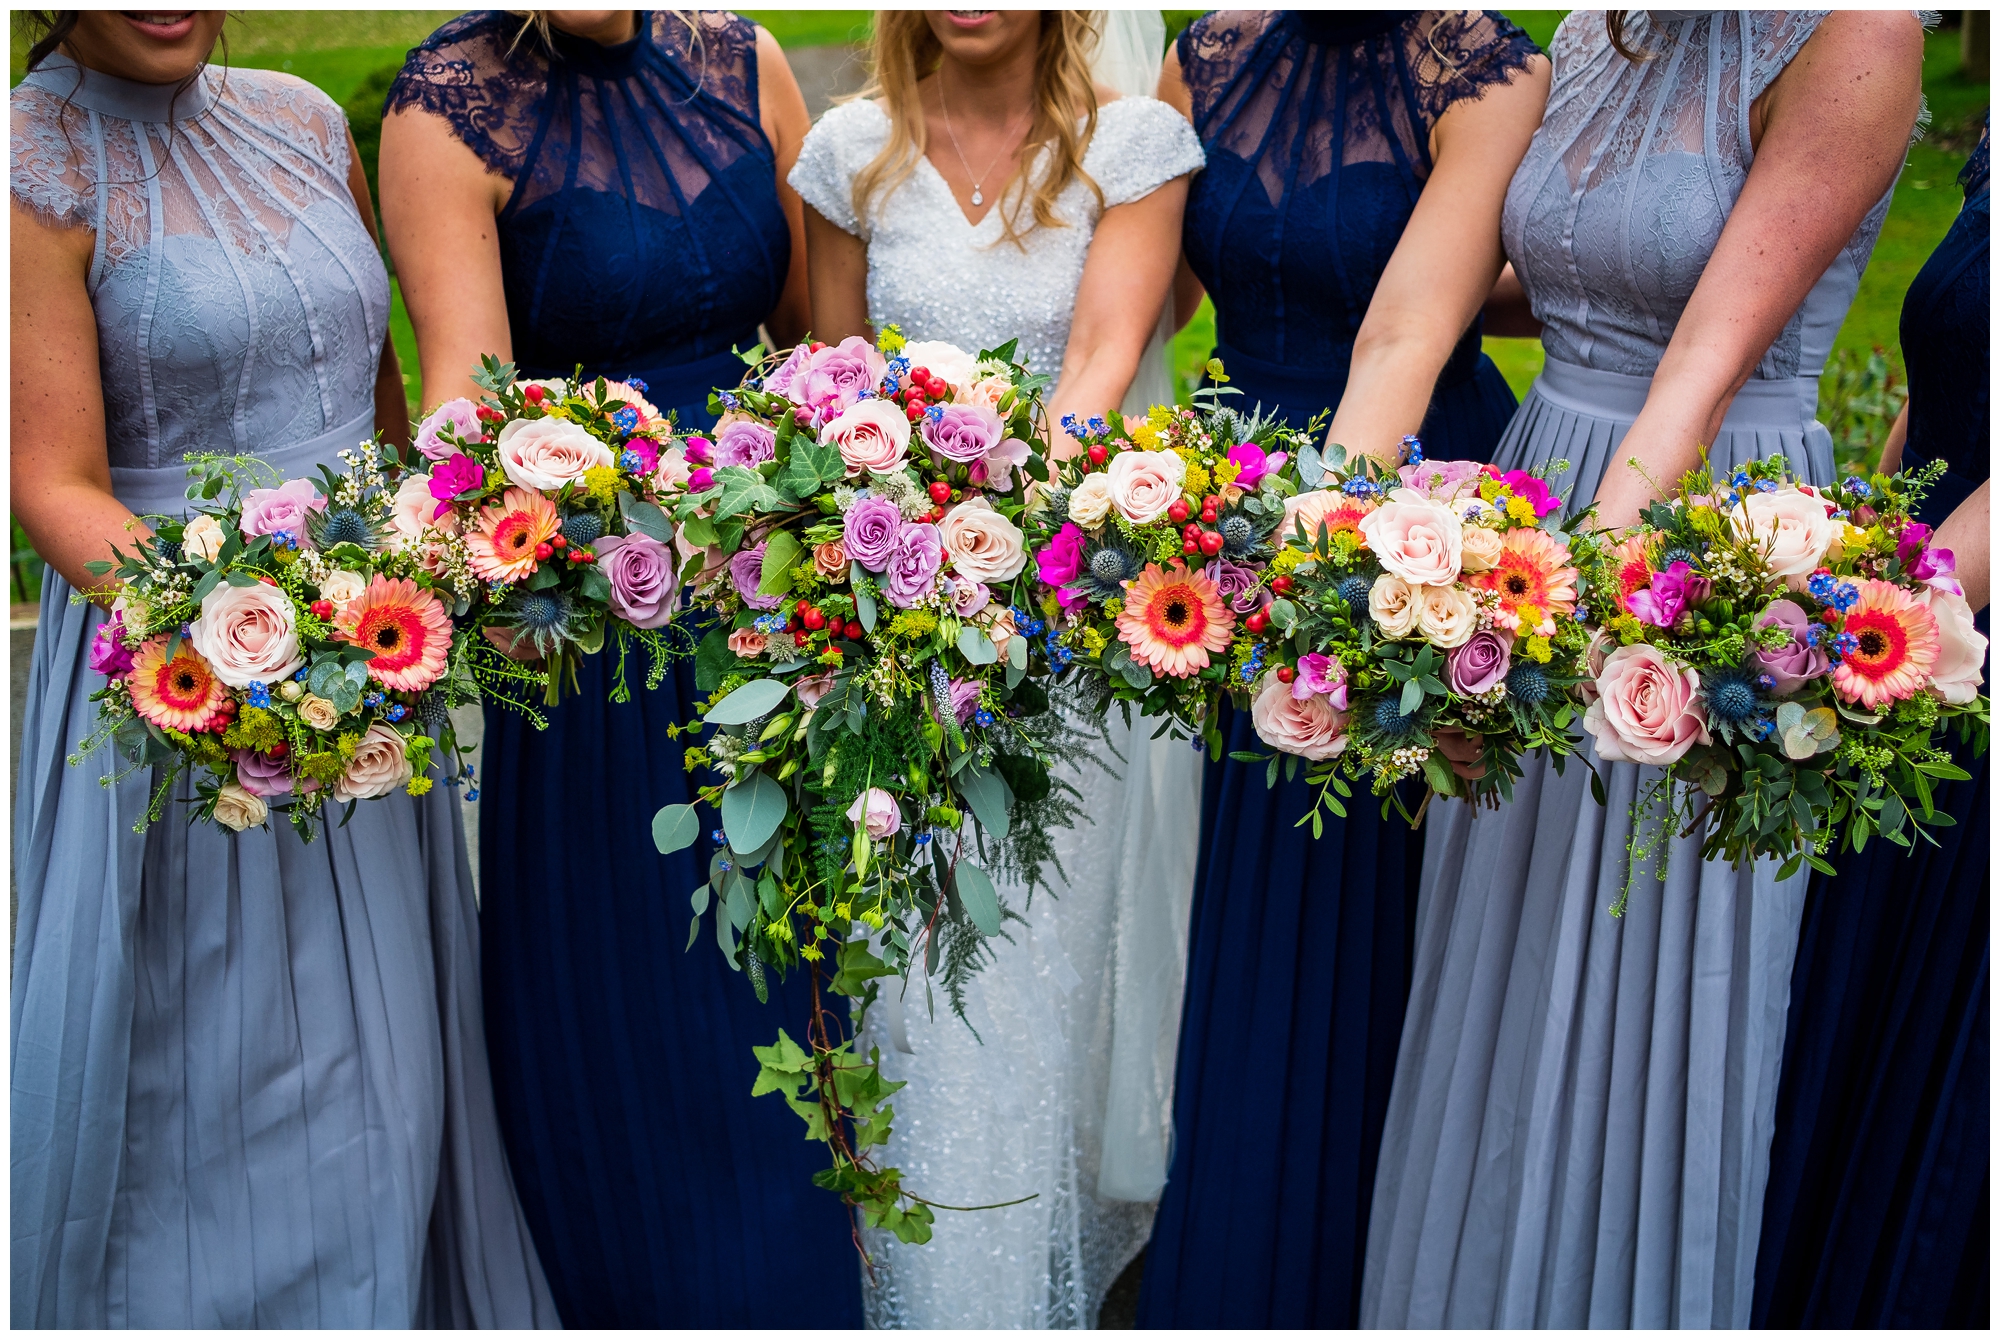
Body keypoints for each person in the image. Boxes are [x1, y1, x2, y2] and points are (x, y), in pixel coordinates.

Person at [1362, 11, 1926, 1329]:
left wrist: (1565, 611)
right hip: (1542, 487)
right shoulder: (1597, 27)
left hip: (1700, 536)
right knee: (1494, 952)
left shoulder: (1862, 34)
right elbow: (1557, 262)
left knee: (1650, 976)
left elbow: (1706, 356)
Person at [10, 10, 553, 1327]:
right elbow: (53, 484)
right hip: (184, 683)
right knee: (217, 1073)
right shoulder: (32, 160)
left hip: (367, 666)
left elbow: (376, 403)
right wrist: (242, 639)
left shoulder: (308, 121)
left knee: (389, 1066)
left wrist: (419, 575)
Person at [379, 11, 859, 1327]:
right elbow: (463, 424)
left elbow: (821, 335)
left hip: (780, 594)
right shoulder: (446, 106)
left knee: (806, 996)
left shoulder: (742, 55)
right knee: (655, 1021)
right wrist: (626, 518)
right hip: (599, 623)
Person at [788, 9, 1203, 1326]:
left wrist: (997, 555)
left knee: (1034, 957)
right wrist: (885, 596)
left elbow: (1097, 363)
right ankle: (937, 1279)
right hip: (894, 627)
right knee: (914, 967)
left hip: (1062, 620)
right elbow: (830, 389)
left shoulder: (1131, 149)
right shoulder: (848, 155)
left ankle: (1030, 1266)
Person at [1135, 12, 1546, 1328]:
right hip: (1239, 494)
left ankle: (1387, 1262)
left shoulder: (1487, 70)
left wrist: (1325, 561)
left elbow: (1402, 342)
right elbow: (1147, 297)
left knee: (1393, 896)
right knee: (1259, 884)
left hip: (1417, 494)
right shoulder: (1199, 58)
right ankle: (1250, 1256)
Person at [1752, 120, 1989, 1328]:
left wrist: (1867, 619)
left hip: (1956, 637)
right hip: (1913, 613)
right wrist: (1848, 533)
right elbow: (1943, 393)